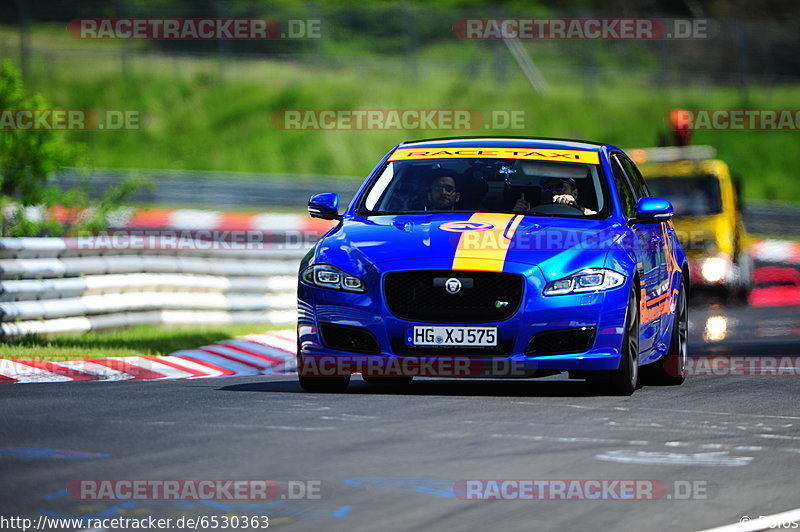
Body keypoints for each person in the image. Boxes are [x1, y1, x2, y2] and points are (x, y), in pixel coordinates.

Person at [513, 177, 596, 215]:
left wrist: (574, 205)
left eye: (560, 187)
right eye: (548, 188)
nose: (553, 191)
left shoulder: (588, 214)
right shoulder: (533, 211)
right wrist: (519, 214)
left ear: (575, 193)